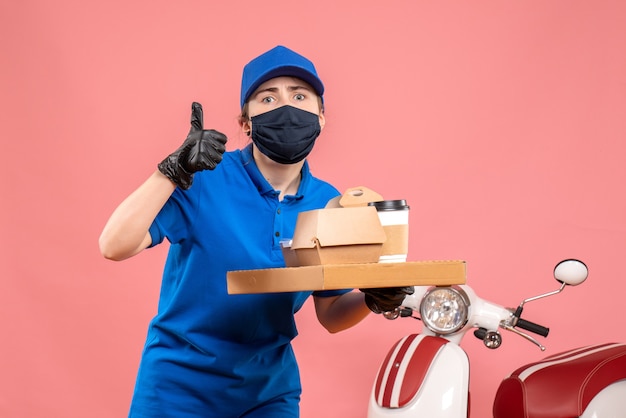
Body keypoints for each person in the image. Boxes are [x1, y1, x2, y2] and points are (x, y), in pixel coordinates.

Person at [99, 45, 413, 418]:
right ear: (246, 123)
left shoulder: (330, 203)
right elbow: (113, 245)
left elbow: (330, 314)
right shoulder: (203, 180)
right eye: (268, 97)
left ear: (321, 117)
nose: (286, 107)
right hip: (177, 387)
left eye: (299, 95)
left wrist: (372, 299)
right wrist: (169, 172)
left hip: (268, 393)